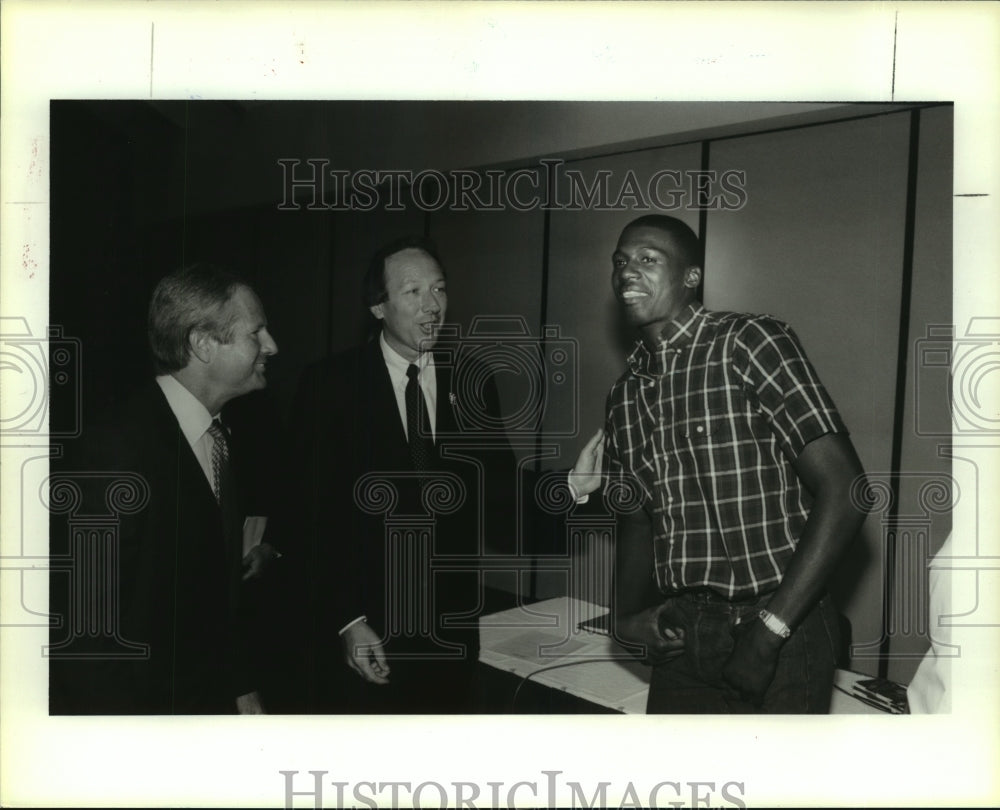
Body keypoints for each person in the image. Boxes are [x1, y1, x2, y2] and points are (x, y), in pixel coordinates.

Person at [279, 235, 603, 713]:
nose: (433, 306)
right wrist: (347, 620)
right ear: (377, 306)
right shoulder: (330, 386)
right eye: (413, 292)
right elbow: (308, 518)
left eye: (440, 290)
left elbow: (498, 496)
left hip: (449, 631)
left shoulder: (470, 381)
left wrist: (570, 487)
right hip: (366, 626)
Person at [603, 215, 868, 713]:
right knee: (678, 788)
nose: (626, 272)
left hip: (782, 623)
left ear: (691, 277)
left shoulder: (748, 343)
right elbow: (636, 520)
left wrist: (769, 633)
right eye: (620, 261)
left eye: (647, 259)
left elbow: (848, 490)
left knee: (775, 789)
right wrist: (624, 616)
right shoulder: (624, 394)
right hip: (684, 631)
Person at [49, 263, 280, 714]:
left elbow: (216, 594)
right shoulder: (115, 448)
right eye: (256, 332)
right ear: (203, 344)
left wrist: (239, 684)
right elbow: (87, 637)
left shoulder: (220, 437)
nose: (272, 346)